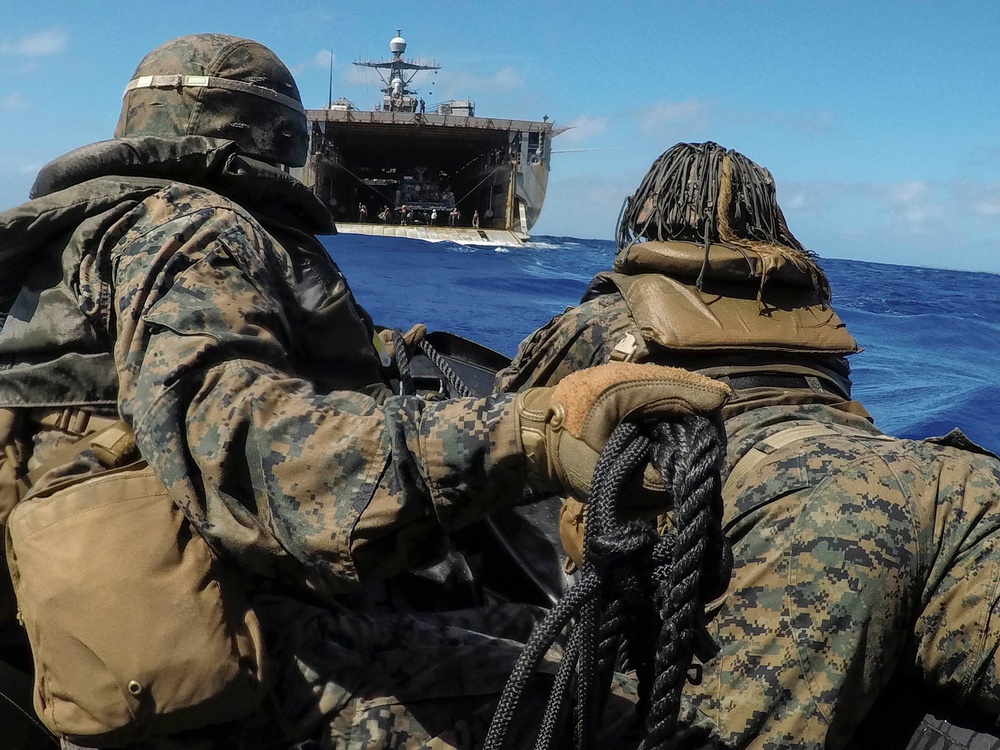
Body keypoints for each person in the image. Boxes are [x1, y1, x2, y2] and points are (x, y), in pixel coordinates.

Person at [0, 37, 730, 748]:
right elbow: (253, 458)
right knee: (620, 711)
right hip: (241, 648)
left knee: (556, 637)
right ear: (278, 135)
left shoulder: (86, 235)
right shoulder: (192, 231)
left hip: (129, 623)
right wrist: (530, 432)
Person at [496, 141, 1000, 749]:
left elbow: (507, 435)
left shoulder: (605, 320)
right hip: (959, 482)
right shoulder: (816, 320)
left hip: (812, 519)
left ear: (649, 210)